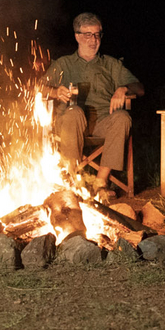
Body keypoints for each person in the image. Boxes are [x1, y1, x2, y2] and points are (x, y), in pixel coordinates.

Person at [43, 12, 145, 195]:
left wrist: (123, 89)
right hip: (71, 124)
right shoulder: (64, 64)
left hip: (102, 123)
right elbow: (39, 87)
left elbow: (139, 88)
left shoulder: (110, 64)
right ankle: (72, 181)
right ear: (77, 36)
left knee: (122, 117)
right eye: (88, 34)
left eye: (97, 34)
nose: (94, 40)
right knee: (74, 112)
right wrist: (55, 91)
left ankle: (100, 183)